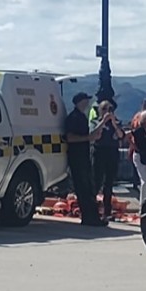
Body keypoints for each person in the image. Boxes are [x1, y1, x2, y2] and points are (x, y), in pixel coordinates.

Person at [63, 92, 108, 227]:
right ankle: (89, 217)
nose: (87, 103)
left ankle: (92, 216)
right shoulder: (73, 118)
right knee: (83, 188)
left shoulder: (82, 117)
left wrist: (100, 126)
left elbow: (90, 136)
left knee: (88, 187)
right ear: (80, 101)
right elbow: (69, 137)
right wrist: (87, 138)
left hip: (84, 155)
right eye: (85, 100)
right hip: (77, 157)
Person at [91, 100, 125, 220]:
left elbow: (121, 135)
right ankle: (93, 209)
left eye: (110, 109)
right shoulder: (95, 121)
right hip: (99, 152)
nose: (107, 111)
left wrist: (114, 123)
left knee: (109, 183)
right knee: (97, 181)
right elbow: (93, 134)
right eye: (104, 109)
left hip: (112, 152)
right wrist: (103, 121)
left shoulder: (116, 122)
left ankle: (107, 211)